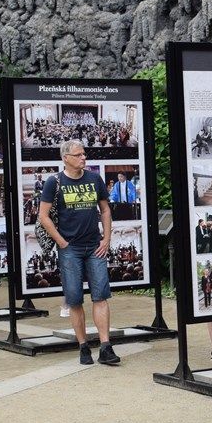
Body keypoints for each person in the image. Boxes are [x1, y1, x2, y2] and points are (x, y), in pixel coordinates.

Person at [38, 140, 120, 366]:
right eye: (79, 155)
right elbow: (43, 216)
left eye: (84, 154)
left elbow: (105, 210)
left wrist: (106, 238)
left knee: (101, 295)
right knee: (74, 299)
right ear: (66, 158)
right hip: (70, 249)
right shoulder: (54, 182)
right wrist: (62, 242)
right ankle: (83, 346)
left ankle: (106, 347)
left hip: (95, 246)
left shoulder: (94, 179)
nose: (84, 158)